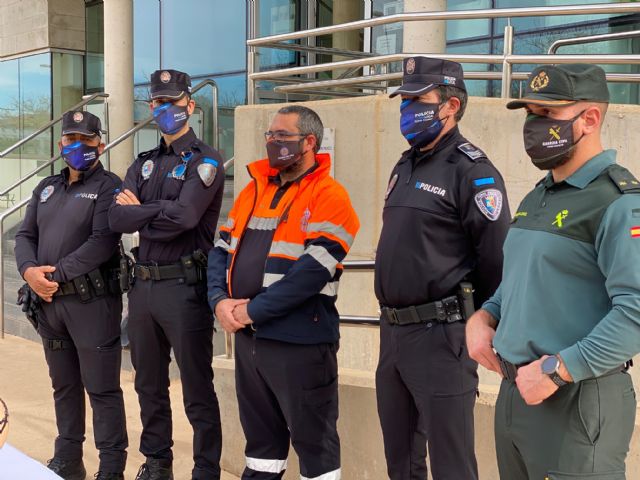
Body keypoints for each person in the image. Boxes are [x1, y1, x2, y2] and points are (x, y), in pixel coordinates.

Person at [466, 63, 640, 479]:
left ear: (591, 119)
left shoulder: (617, 201)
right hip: (515, 395)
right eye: (530, 113)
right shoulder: (537, 195)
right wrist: (485, 315)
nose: (533, 125)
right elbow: (521, 280)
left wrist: (558, 370)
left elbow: (635, 311)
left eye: (548, 114)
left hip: (575, 399)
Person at [374, 56, 511, 480]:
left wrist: (481, 325)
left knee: (451, 465)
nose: (407, 108)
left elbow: (496, 260)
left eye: (418, 99)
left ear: (450, 106)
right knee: (401, 461)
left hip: (442, 336)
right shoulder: (405, 164)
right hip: (393, 334)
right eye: (404, 99)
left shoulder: (473, 173)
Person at [207, 104, 359, 480]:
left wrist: (249, 312)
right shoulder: (250, 192)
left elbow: (309, 275)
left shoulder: (331, 197)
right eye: (269, 136)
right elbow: (220, 252)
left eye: (282, 136)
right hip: (250, 342)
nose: (272, 142)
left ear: (309, 142)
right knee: (260, 447)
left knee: (315, 446)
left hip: (300, 343)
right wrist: (219, 301)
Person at [108, 69, 225, 480]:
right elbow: (116, 217)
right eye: (157, 103)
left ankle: (206, 468)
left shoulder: (206, 161)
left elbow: (189, 216)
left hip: (184, 288)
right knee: (148, 384)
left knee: (196, 387)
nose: (164, 109)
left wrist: (143, 211)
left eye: (172, 102)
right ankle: (157, 462)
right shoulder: (142, 164)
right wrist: (159, 212)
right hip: (143, 288)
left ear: (189, 105)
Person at [14, 110, 127, 480]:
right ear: (60, 143)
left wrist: (53, 276)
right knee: (63, 385)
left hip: (91, 304)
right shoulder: (46, 187)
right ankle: (68, 459)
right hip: (49, 305)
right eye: (70, 140)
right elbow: (25, 235)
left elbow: (102, 242)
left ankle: (110, 467)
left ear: (101, 144)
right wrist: (30, 272)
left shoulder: (109, 186)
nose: (78, 146)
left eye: (87, 140)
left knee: (101, 389)